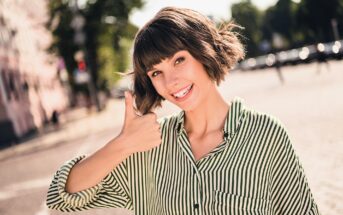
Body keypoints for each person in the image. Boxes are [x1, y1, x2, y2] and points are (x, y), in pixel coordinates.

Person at [46, 7, 320, 215]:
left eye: (179, 60)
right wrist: (123, 144)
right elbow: (61, 196)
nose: (170, 81)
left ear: (204, 53)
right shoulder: (148, 150)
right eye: (156, 72)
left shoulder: (265, 136)